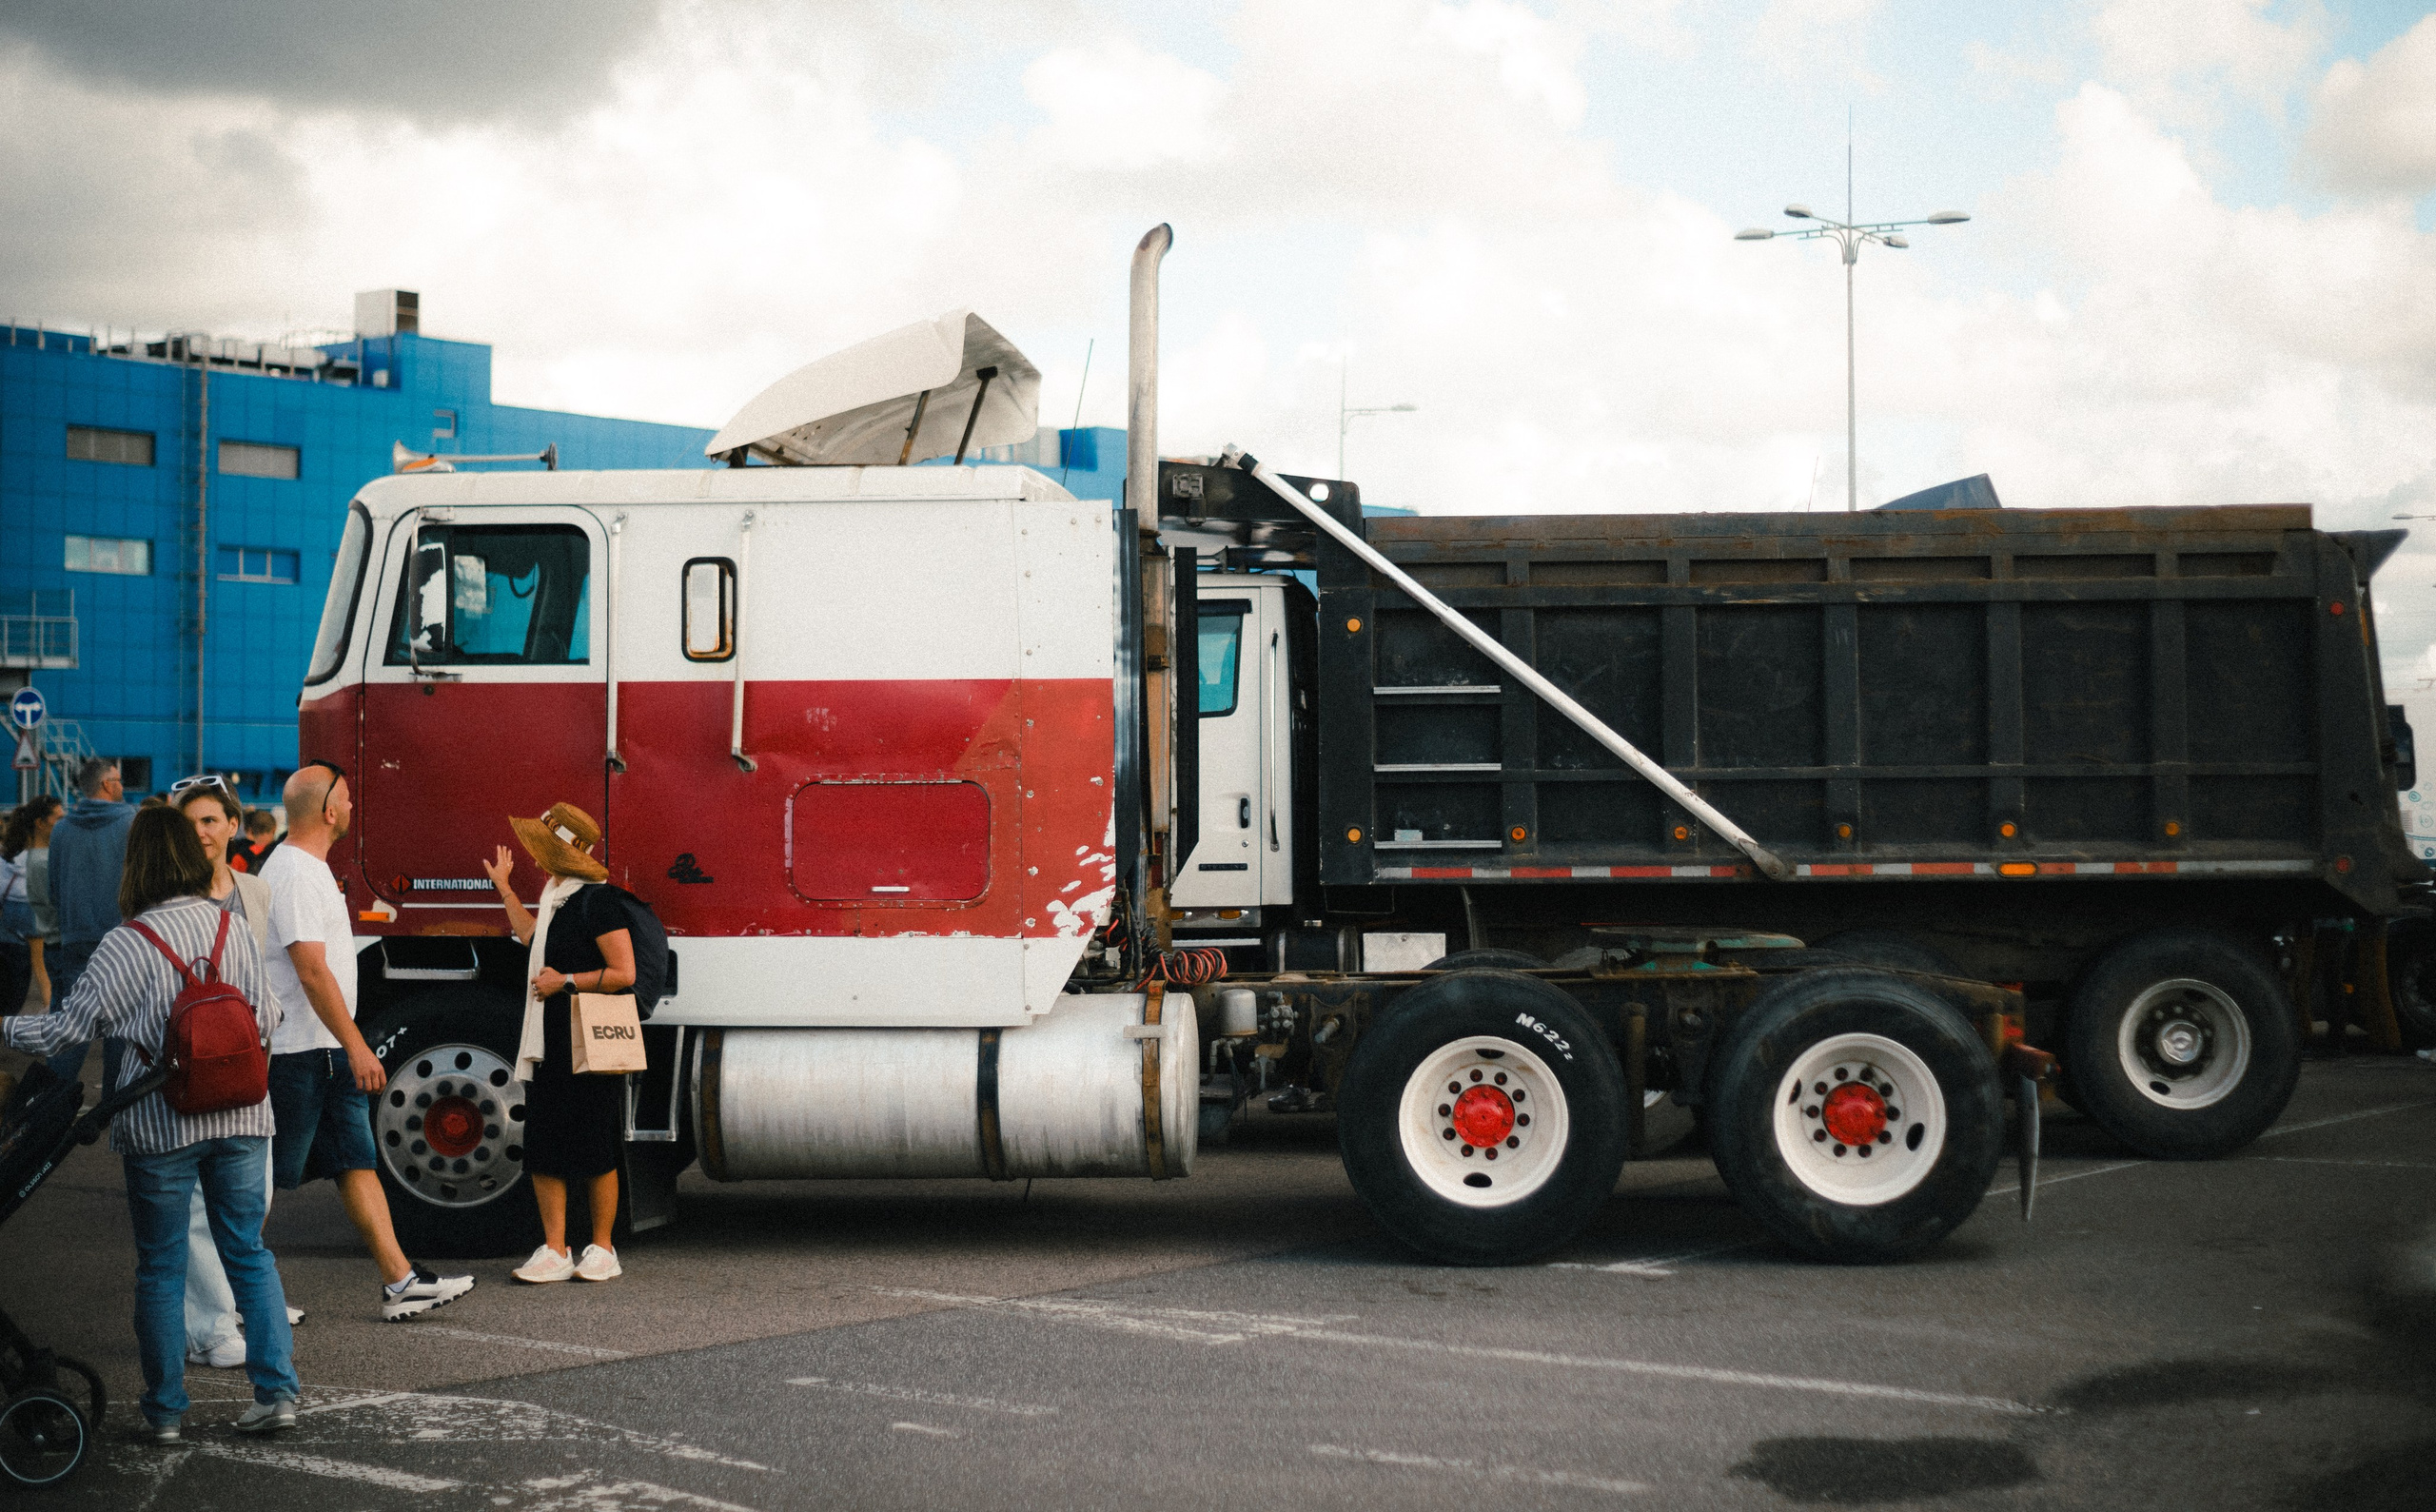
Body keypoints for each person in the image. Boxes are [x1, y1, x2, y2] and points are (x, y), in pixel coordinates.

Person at [0, 806, 299, 1442]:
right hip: (244, 1115)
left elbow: (65, 1030)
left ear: (133, 864)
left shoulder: (126, 943)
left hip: (160, 1124)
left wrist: (2, 1027)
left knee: (161, 1266)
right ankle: (277, 1394)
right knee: (249, 1252)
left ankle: (166, 1411)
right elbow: (269, 1019)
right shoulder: (231, 928)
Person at [260, 760, 472, 1321]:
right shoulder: (295, 873)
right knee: (256, 1181)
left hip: (321, 1051)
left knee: (356, 1163)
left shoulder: (305, 868)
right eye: (348, 799)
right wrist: (357, 1045)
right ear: (329, 811)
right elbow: (310, 970)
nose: (353, 807)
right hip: (297, 1053)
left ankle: (401, 1281)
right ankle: (231, 1297)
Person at [483, 802, 635, 1285]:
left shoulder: (598, 901)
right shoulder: (554, 899)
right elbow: (530, 937)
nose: (534, 857)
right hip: (549, 1041)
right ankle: (555, 1249)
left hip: (587, 1037)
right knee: (544, 1144)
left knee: (594, 1144)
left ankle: (603, 1249)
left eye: (544, 849)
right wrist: (505, 888)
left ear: (564, 854)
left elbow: (624, 973)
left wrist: (565, 981)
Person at [173, 776, 281, 1369]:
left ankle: (232, 1304)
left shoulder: (254, 893)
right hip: (186, 1061)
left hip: (246, 1062)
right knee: (193, 1204)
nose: (202, 833)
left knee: (251, 1196)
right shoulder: (162, 894)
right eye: (190, 823)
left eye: (211, 820)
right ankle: (210, 1328)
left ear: (233, 825)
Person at [45, 759, 135, 1083]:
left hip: (75, 938)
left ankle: (46, 1106)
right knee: (121, 1029)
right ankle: (113, 1108)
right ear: (108, 785)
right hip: (124, 940)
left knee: (72, 1028)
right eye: (119, 780)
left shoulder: (62, 828)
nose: (122, 786)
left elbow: (53, 890)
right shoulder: (132, 822)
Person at [16, 795, 63, 1011]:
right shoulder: (43, 862)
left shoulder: (39, 856)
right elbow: (57, 905)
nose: (63, 823)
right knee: (64, 1011)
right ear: (41, 823)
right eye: (58, 818)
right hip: (59, 941)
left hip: (54, 941)